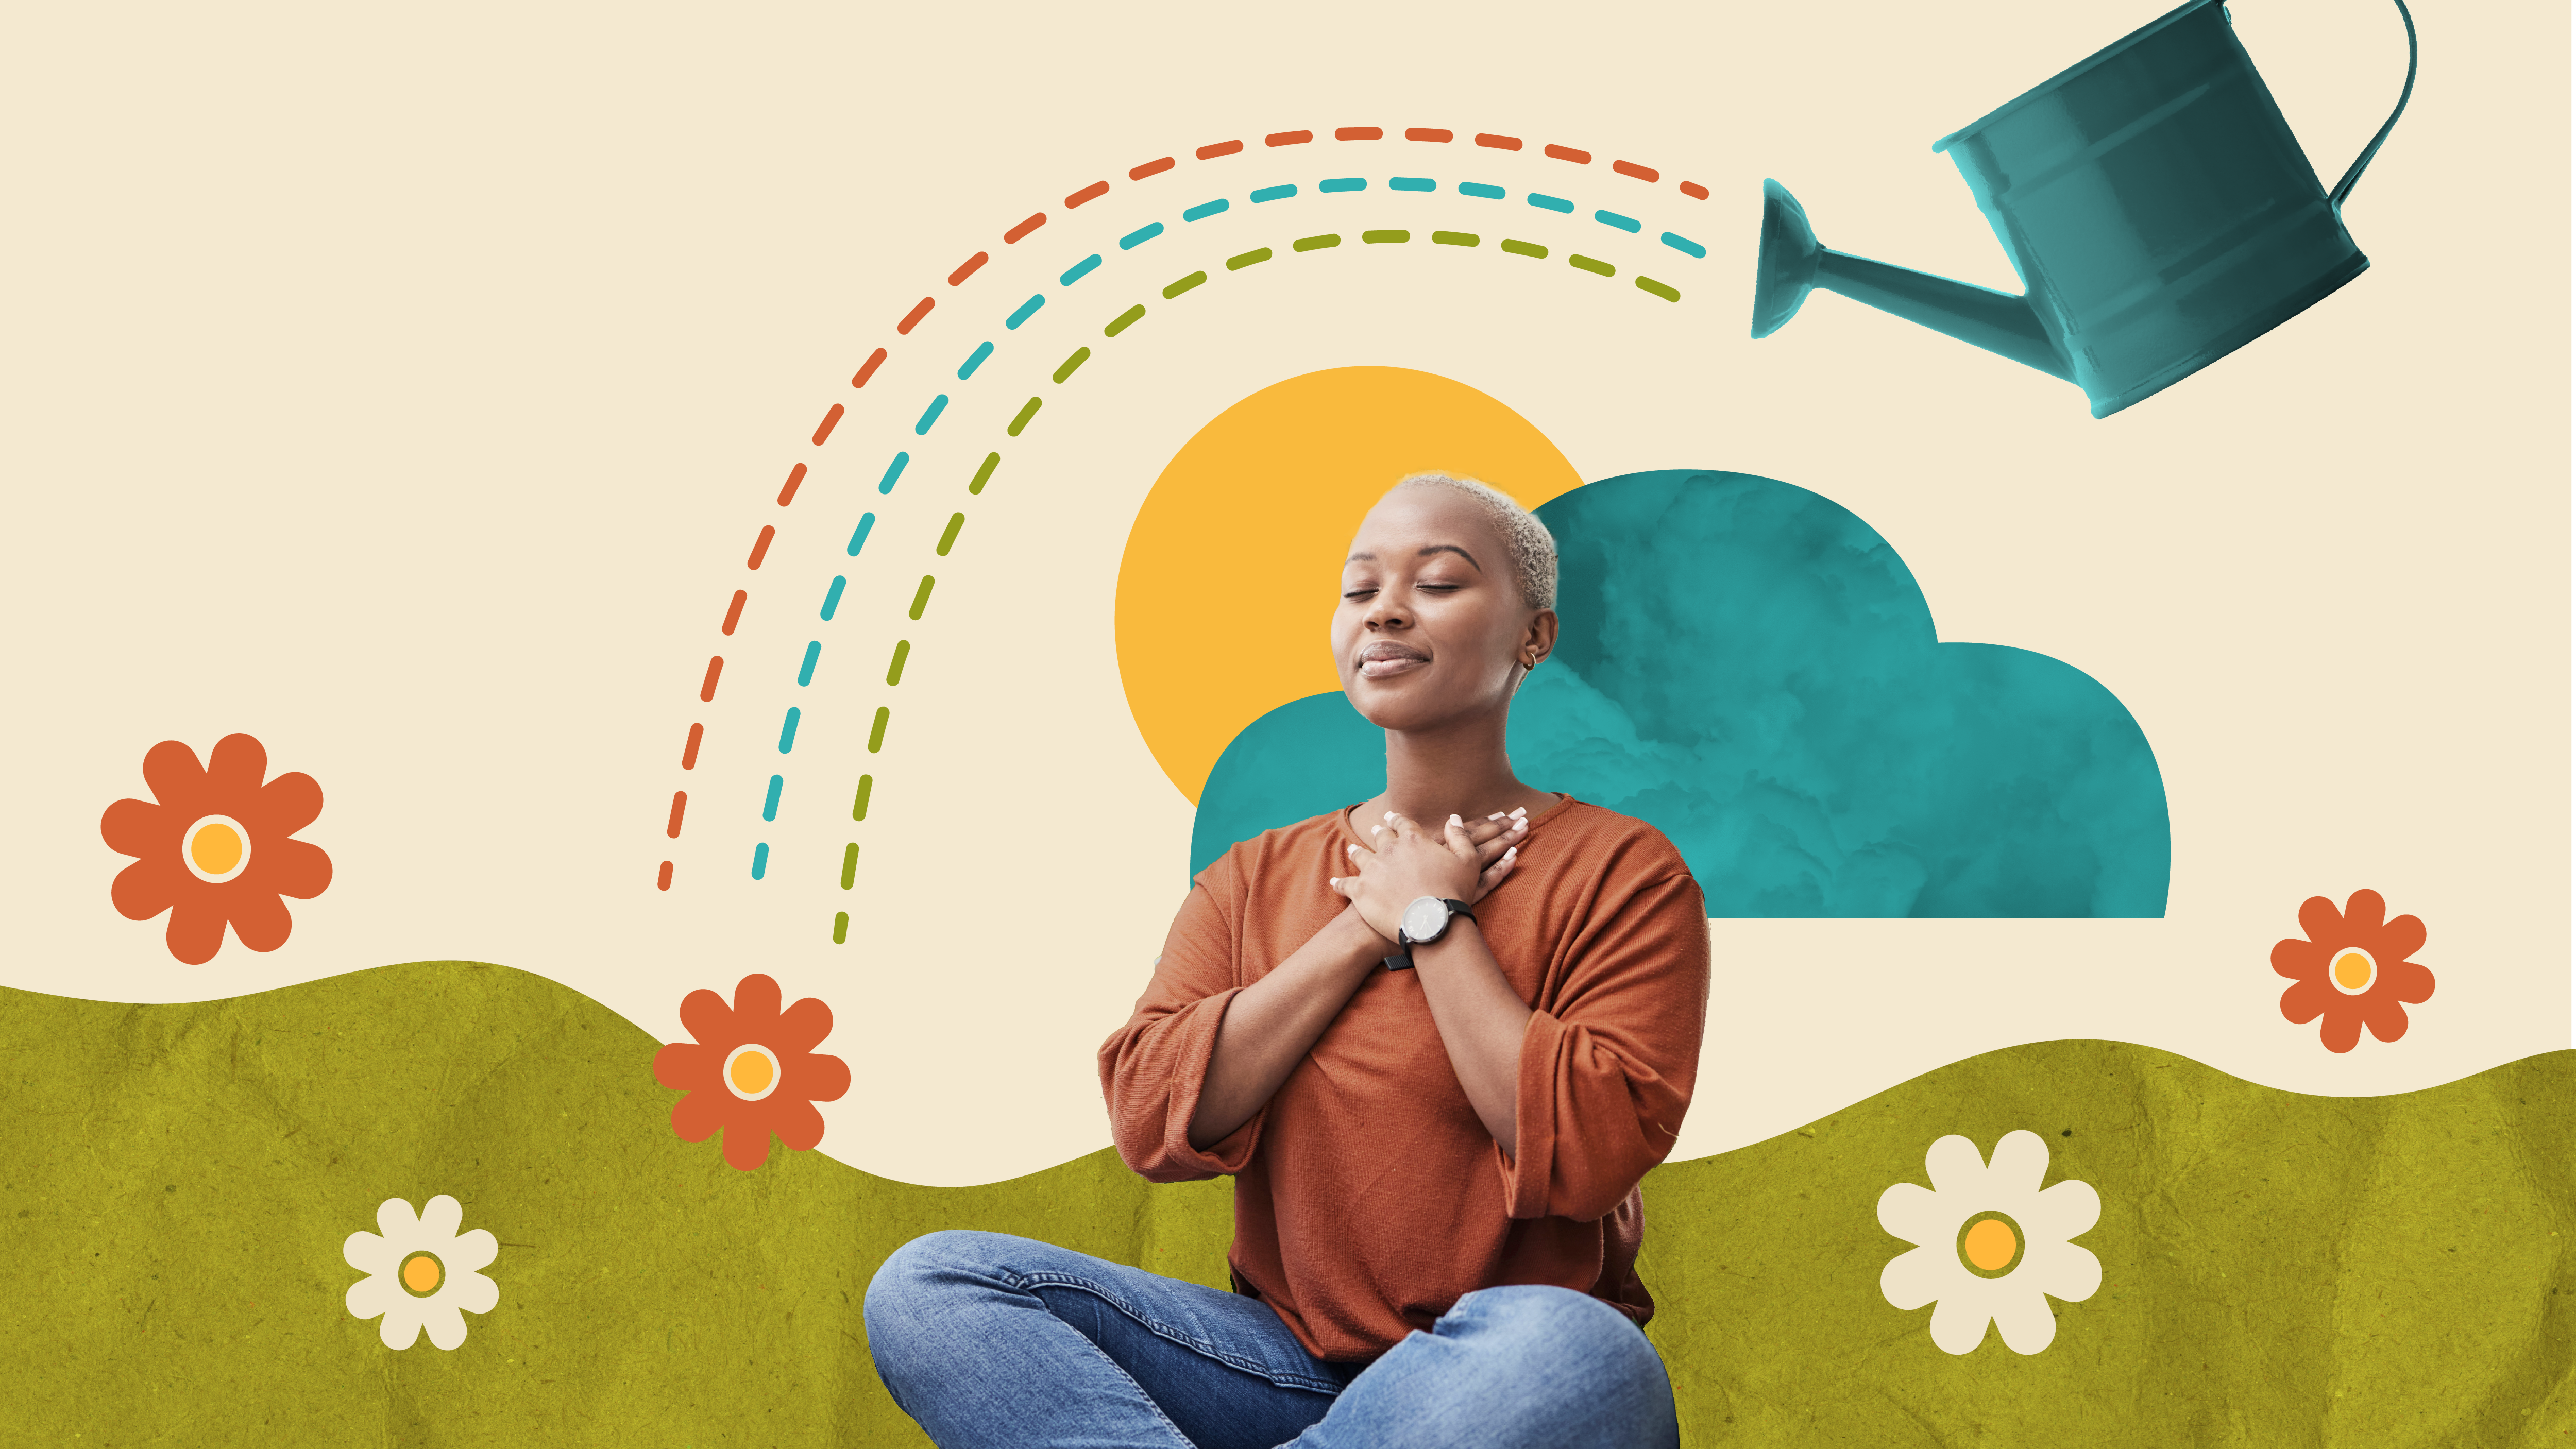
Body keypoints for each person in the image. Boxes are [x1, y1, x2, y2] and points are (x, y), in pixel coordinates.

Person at [865, 471, 1712, 1447]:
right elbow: (1151, 1119)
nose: (1387, 610)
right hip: (1274, 1369)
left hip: (1502, 1379)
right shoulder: (1251, 879)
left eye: (1437, 582)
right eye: (1360, 592)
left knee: (1581, 1351)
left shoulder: (1624, 872)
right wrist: (1368, 923)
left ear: (1535, 636)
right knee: (935, 1287)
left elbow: (1585, 1156)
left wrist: (1437, 922)